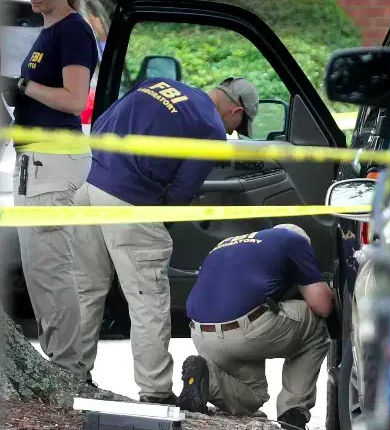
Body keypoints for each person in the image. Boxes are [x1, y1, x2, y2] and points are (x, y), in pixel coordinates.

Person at [71, 76, 259, 403]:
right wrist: (157, 217)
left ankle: (71, 376)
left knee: (85, 290)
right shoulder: (210, 129)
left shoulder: (158, 83)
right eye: (237, 127)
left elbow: (100, 125)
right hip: (129, 204)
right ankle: (155, 392)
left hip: (88, 189)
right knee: (149, 301)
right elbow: (180, 194)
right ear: (236, 111)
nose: (231, 133)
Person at [6, 0, 98, 381]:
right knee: (43, 267)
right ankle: (66, 362)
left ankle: (68, 368)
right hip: (37, 161)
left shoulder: (73, 30)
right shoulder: (48, 30)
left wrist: (25, 86)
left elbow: (75, 100)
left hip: (52, 161)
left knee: (49, 269)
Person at [177, 224, 333, 430]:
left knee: (253, 396)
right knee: (316, 326)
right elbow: (323, 306)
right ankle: (293, 413)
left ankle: (206, 376)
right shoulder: (294, 241)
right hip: (247, 329)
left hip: (201, 333)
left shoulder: (224, 245)